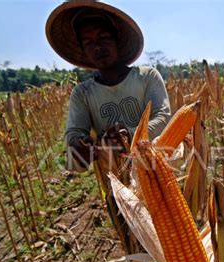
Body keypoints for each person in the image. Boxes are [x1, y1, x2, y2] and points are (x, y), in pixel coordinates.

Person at [46, 0, 171, 170]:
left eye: (103, 37)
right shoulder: (83, 94)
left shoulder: (147, 76)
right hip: (116, 183)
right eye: (88, 43)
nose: (97, 47)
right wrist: (79, 146)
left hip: (157, 171)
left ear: (117, 40)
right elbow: (74, 135)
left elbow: (163, 119)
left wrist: (128, 136)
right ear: (83, 50)